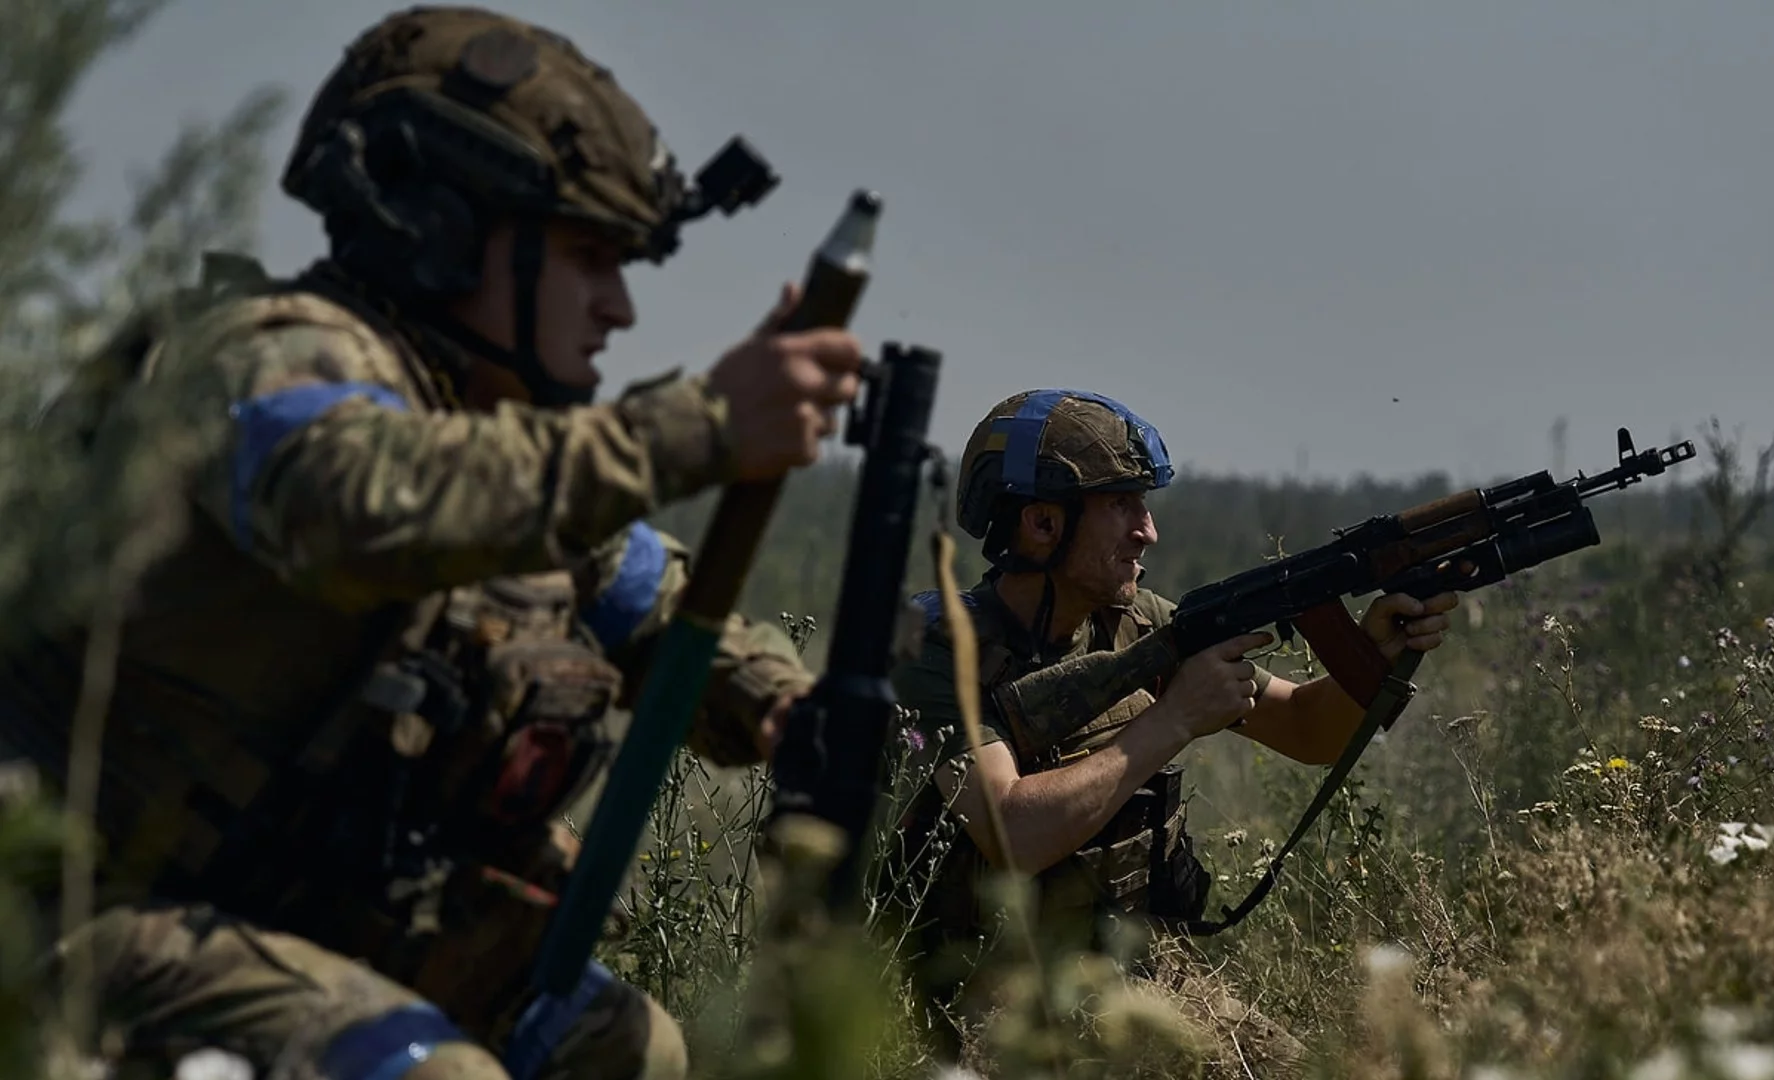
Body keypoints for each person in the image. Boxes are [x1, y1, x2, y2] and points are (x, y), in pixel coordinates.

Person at [0, 7, 862, 1079]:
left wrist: (781, 704)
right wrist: (694, 429)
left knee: (625, 1048)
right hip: (70, 906)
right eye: (591, 258)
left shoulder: (483, 435)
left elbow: (641, 597)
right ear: (442, 226)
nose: (622, 308)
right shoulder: (272, 355)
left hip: (278, 906)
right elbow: (359, 505)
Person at [886, 388, 1460, 1066]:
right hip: (990, 1000)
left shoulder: (1139, 626)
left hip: (1136, 973)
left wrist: (1373, 656)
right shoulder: (939, 651)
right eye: (1122, 504)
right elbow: (1013, 832)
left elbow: (1308, 730)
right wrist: (1177, 717)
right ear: (1042, 524)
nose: (1148, 530)